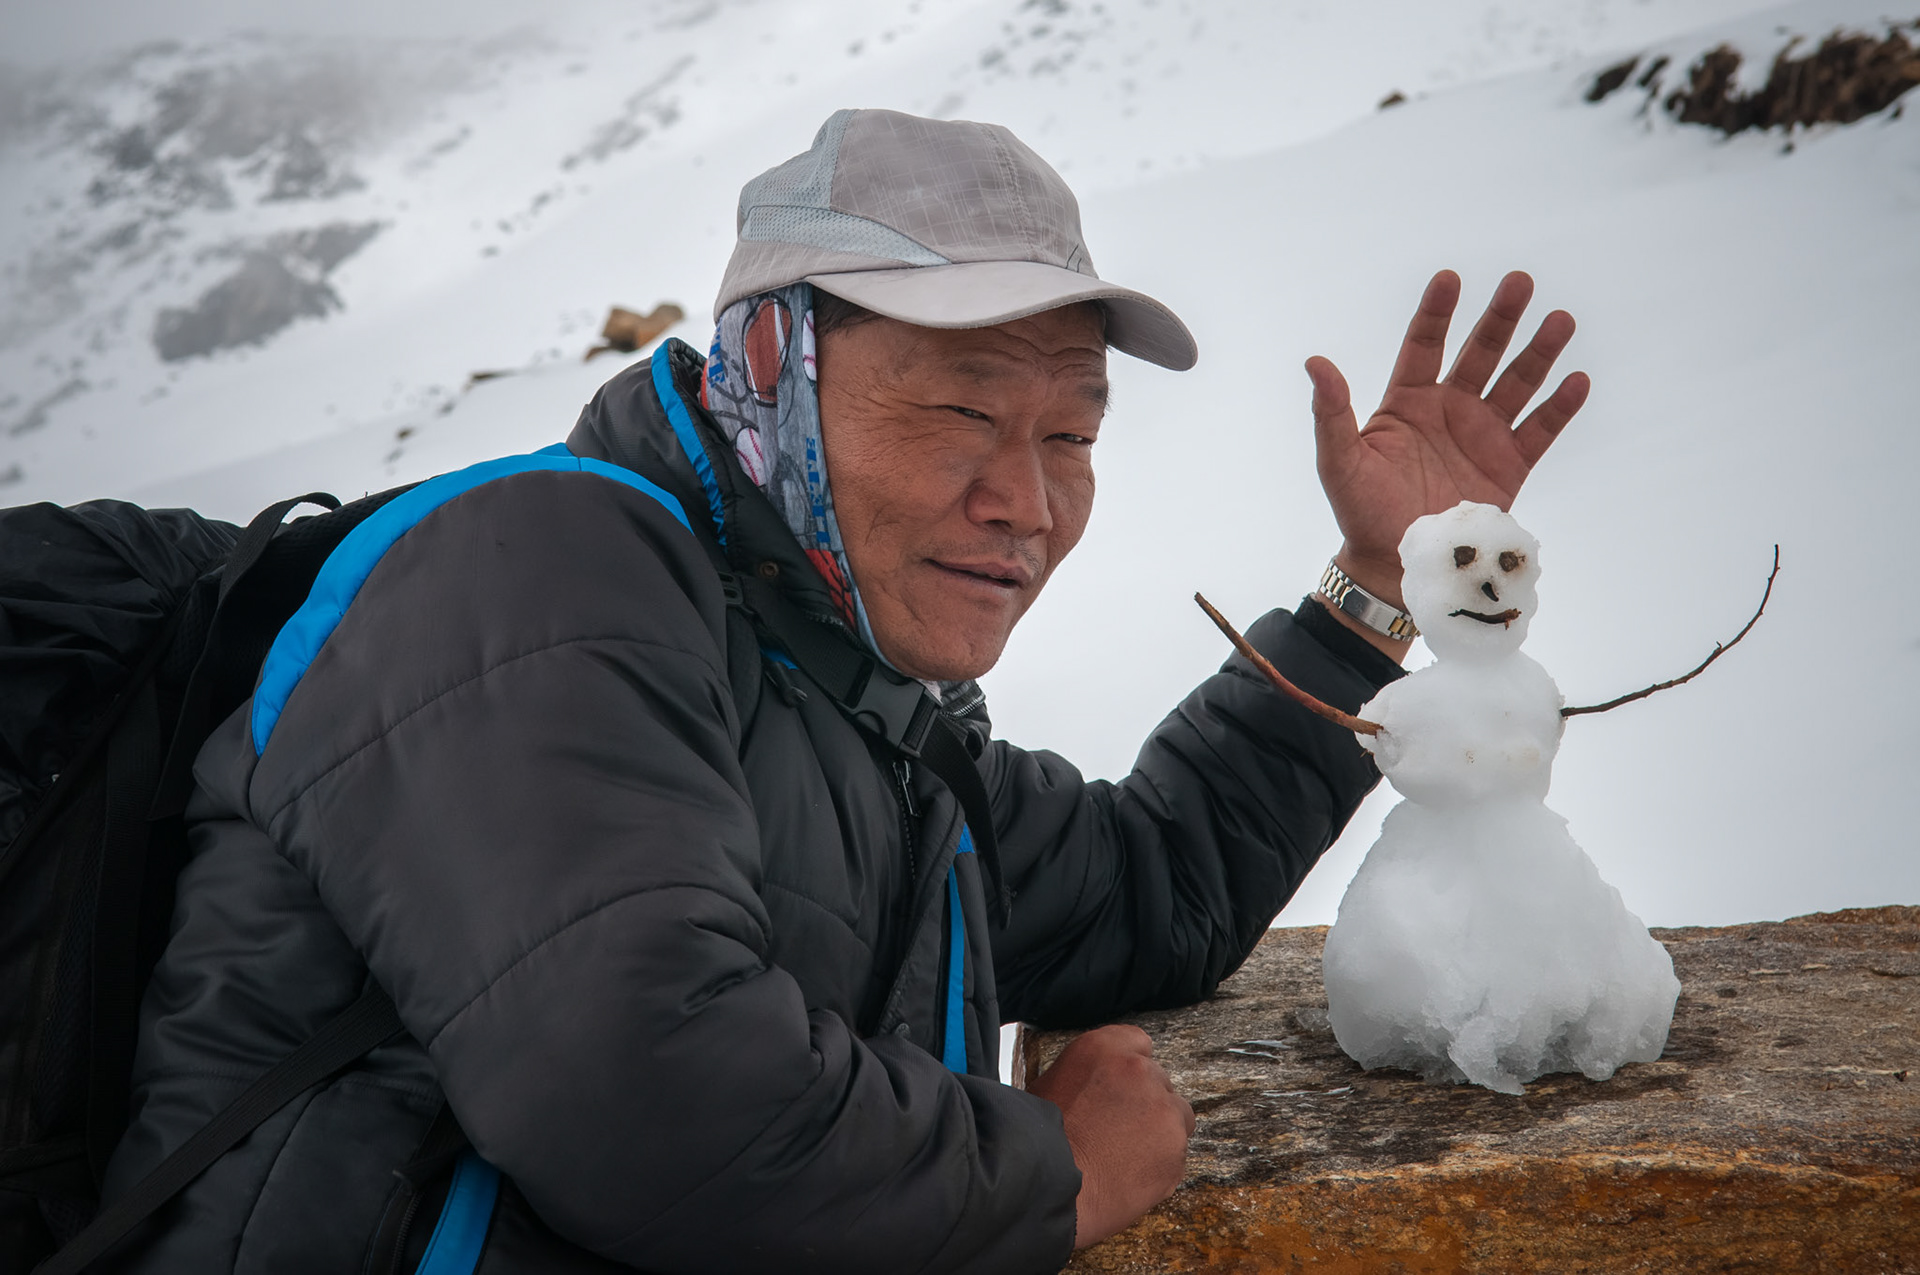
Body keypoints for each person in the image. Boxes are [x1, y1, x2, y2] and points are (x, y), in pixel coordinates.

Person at [99, 108, 1586, 1273]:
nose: (1027, 499)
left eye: (1071, 435)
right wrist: (1050, 1175)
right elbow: (644, 1093)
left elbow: (1155, 892)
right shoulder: (542, 568)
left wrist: (1376, 581)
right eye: (956, 408)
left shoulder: (860, 714)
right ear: (771, 365)